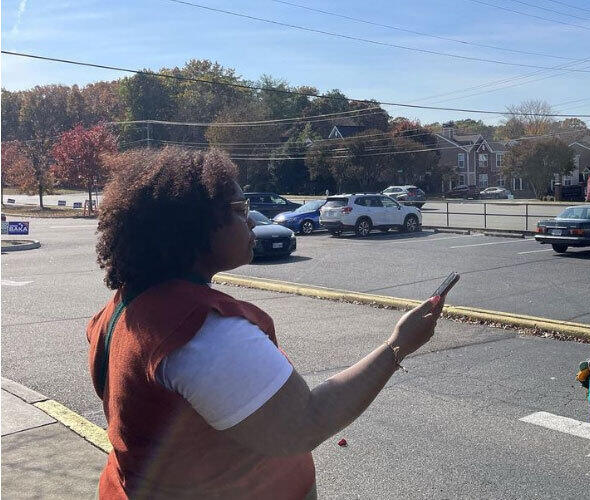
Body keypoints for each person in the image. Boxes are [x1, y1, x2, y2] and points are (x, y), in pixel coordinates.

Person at [87, 148, 443, 499]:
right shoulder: (203, 333)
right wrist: (398, 346)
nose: (252, 221)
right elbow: (305, 423)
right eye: (239, 210)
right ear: (194, 225)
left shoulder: (128, 304)